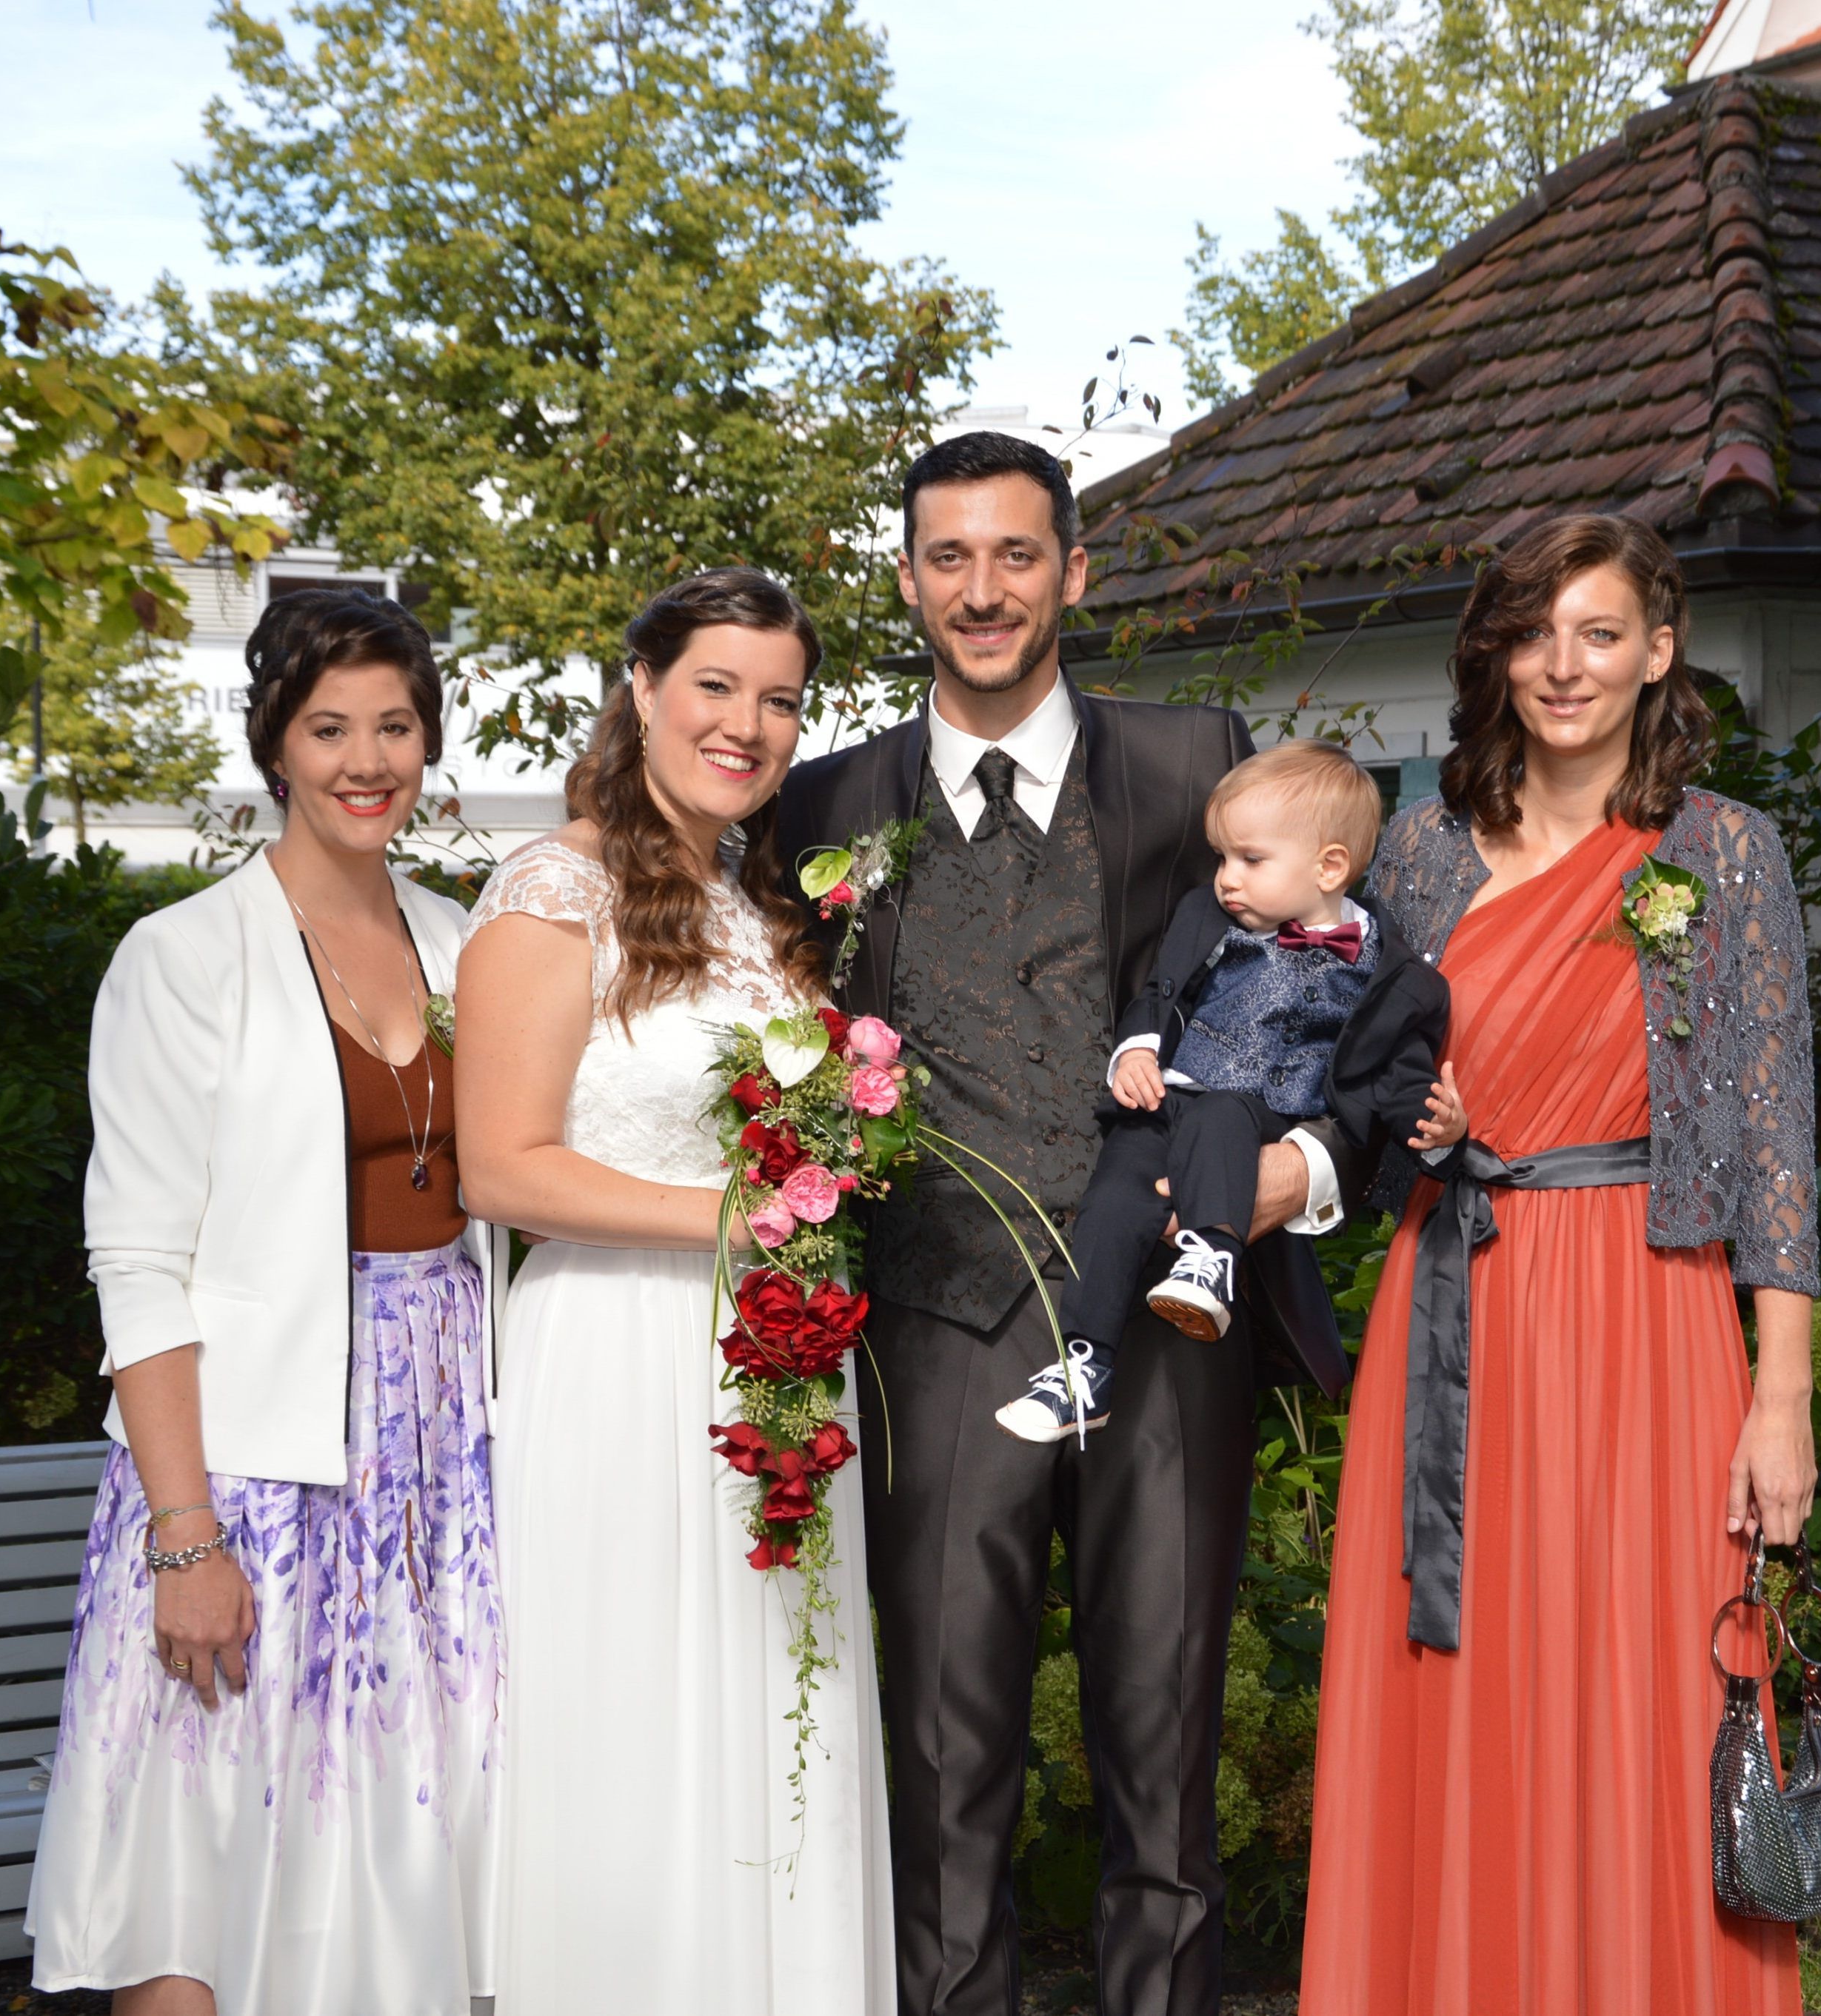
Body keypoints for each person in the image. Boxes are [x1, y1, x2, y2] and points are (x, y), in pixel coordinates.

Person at [776, 431, 1363, 2016]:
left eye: (1016, 554)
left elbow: (1321, 993)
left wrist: (1316, 1154)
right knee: (944, 1750)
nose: (984, 590)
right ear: (908, 579)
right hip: (935, 1317)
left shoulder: (1192, 766)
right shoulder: (822, 802)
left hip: (1167, 1315)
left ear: (1073, 572)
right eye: (949, 558)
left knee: (1162, 1743)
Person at [1300, 512, 1818, 2016]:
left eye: (1599, 632)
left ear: (1660, 649)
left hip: (1652, 1305)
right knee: (1463, 1683)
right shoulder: (1411, 850)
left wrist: (1779, 1395)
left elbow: (1778, 1129)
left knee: (1650, 1684)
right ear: (1495, 653)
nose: (1564, 665)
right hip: (1457, 1300)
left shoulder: (1726, 848)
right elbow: (1349, 1090)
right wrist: (1415, 1117)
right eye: (1533, 633)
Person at [27, 590, 500, 2016]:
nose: (369, 759)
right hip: (253, 1464)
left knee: (411, 1850)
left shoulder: (469, 939)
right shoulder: (183, 956)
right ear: (277, 747)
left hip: (443, 1465)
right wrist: (186, 1538)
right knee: (207, 1847)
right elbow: (137, 1261)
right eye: (330, 726)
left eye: (397, 726)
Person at [457, 568, 892, 2014]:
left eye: (780, 700)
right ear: (642, 685)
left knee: (781, 1703)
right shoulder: (549, 888)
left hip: (771, 1348)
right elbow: (501, 1169)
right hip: (619, 1355)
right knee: (633, 1714)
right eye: (717, 685)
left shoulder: (763, 907)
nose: (748, 724)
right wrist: (734, 1217)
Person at [997, 740, 1457, 1442]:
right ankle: (1083, 1366)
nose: (1225, 878)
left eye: (1249, 859)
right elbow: (1159, 994)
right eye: (1221, 858)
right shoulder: (1203, 920)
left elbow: (1394, 1073)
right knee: (1114, 1201)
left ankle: (1212, 1258)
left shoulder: (1393, 976)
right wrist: (1137, 1050)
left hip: (1261, 1116)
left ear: (1330, 866)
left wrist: (1440, 1132)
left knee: (1222, 1115)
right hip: (1166, 1102)